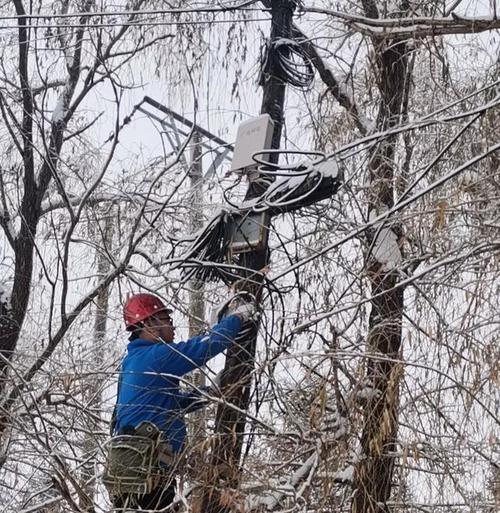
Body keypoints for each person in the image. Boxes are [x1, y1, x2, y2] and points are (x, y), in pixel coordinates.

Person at [108, 292, 255, 511]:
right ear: (150, 323)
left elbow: (170, 404)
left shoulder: (134, 361)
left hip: (138, 475)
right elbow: (205, 346)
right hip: (148, 475)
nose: (172, 327)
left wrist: (209, 393)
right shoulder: (156, 356)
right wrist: (238, 317)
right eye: (167, 319)